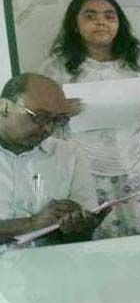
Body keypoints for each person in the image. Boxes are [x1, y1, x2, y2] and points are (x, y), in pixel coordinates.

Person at [39, 0, 140, 239]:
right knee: (97, 233)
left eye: (109, 16)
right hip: (86, 163)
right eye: (91, 16)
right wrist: (59, 110)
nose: (101, 22)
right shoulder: (57, 67)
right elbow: (38, 115)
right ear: (75, 25)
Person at [0, 74, 104, 245]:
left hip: (55, 260)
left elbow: (83, 237)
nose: (48, 129)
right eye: (39, 117)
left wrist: (77, 225)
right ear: (4, 107)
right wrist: (31, 224)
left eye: (58, 120)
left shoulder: (69, 155)